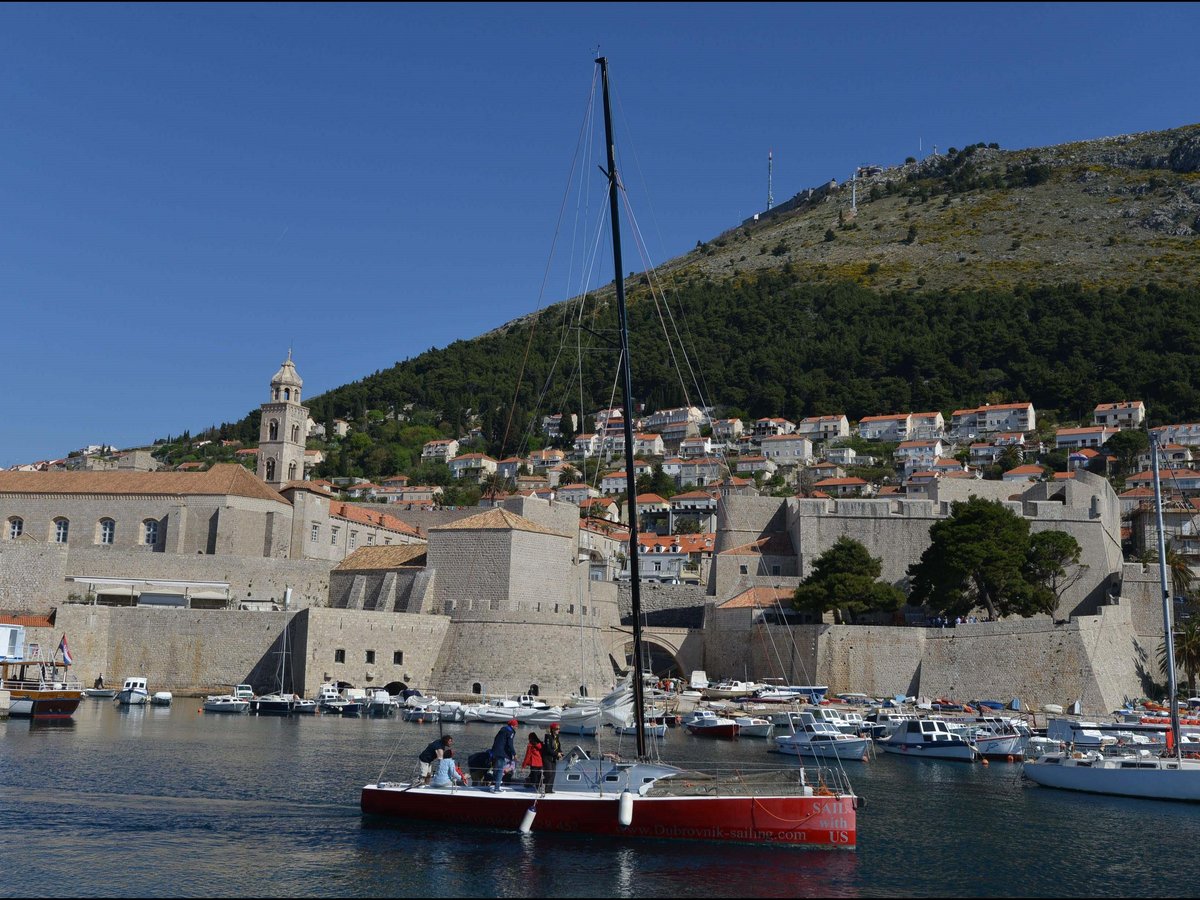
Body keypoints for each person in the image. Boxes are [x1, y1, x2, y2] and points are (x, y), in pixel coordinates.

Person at [490, 719, 517, 792]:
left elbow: (496, 739)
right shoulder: (510, 731)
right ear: (512, 726)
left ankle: (495, 784)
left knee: (496, 768)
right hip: (501, 753)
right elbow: (510, 744)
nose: (516, 727)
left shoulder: (502, 730)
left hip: (495, 752)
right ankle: (497, 788)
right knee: (500, 770)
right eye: (516, 726)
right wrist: (514, 753)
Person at [542, 721, 564, 794]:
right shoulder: (548, 737)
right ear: (553, 729)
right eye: (557, 729)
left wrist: (560, 752)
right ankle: (542, 784)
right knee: (549, 773)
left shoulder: (557, 737)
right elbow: (548, 749)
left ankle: (549, 790)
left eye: (559, 729)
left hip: (554, 758)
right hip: (547, 758)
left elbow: (558, 747)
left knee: (553, 774)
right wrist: (557, 754)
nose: (558, 730)